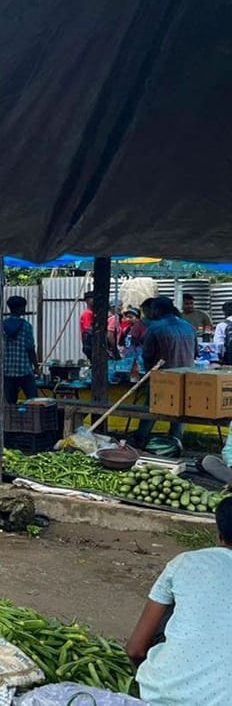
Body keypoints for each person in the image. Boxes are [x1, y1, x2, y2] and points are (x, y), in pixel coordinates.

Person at [126, 498, 232, 706]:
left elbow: (135, 649)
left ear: (219, 535)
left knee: (174, 607)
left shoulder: (185, 562)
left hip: (161, 695)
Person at [134, 297, 196, 447]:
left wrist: (149, 372)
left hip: (163, 377)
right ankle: (175, 442)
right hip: (187, 376)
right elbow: (195, 353)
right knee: (181, 411)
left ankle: (140, 440)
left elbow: (147, 356)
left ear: (156, 310)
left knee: (152, 409)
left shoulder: (155, 328)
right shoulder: (188, 326)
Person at [2, 296, 39, 401]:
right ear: (21, 308)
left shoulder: (2, 325)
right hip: (24, 370)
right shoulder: (26, 326)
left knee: (10, 403)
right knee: (33, 401)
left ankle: (11, 418)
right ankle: (33, 417)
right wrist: (36, 367)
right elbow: (30, 349)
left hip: (7, 371)